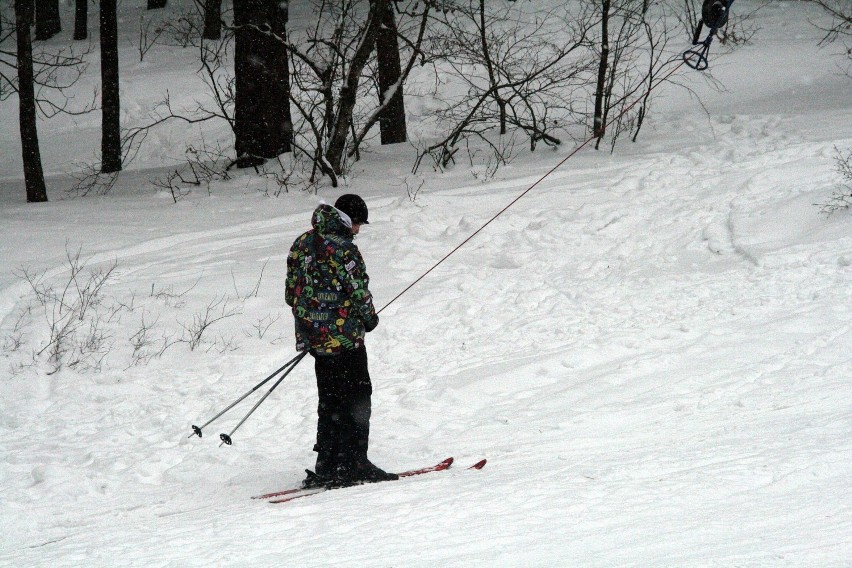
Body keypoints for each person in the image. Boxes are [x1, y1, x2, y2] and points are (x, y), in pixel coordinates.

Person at [285, 194, 398, 488]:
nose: (358, 230)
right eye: (358, 223)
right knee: (357, 396)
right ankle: (353, 462)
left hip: (315, 341)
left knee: (330, 400)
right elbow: (358, 291)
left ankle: (327, 463)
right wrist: (370, 319)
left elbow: (290, 294)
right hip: (345, 340)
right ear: (349, 219)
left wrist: (313, 323)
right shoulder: (344, 250)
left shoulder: (301, 244)